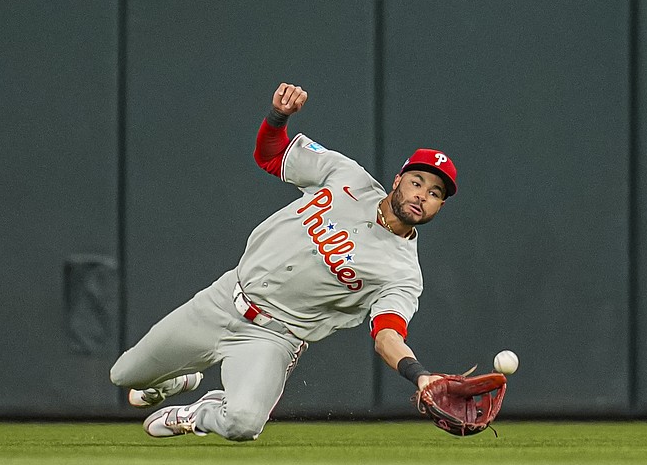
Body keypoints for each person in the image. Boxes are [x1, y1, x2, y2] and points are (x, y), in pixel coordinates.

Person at [109, 82, 458, 441]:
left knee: (242, 424)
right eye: (417, 182)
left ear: (440, 207)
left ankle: (198, 413)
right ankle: (182, 377)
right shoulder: (346, 176)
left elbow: (387, 335)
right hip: (224, 299)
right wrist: (278, 117)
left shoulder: (402, 273)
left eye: (435, 193)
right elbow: (271, 156)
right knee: (124, 376)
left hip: (273, 337)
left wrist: (419, 374)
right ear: (398, 179)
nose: (422, 196)